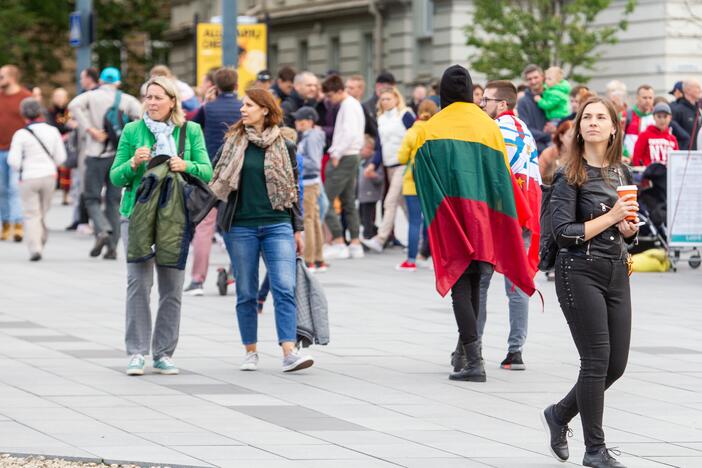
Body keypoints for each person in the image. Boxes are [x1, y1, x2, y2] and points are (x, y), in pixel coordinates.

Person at [413, 65, 536, 383]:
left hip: (452, 218)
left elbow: (425, 183)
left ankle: (474, 360)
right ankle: (465, 354)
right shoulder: (489, 127)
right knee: (477, 285)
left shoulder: (431, 128)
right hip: (483, 221)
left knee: (461, 290)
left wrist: (437, 224)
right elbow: (501, 180)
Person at [541, 96, 638, 468]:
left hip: (616, 269)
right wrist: (612, 215)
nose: (593, 122)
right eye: (587, 117)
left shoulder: (622, 172)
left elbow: (625, 229)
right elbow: (564, 233)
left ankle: (559, 414)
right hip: (578, 270)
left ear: (614, 127)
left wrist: (628, 228)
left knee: (616, 365)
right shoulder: (569, 175)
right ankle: (594, 449)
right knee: (596, 361)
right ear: (579, 128)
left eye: (601, 117)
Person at [109, 76, 212, 376]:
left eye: (157, 98)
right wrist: (132, 165)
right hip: (137, 215)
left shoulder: (190, 130)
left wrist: (186, 165)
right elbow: (115, 177)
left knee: (172, 287)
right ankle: (137, 352)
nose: (151, 103)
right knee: (138, 283)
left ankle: (164, 353)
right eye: (148, 97)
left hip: (174, 218)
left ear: (172, 102)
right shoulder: (132, 130)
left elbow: (207, 170)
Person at [209, 88, 313, 373]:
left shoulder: (285, 145)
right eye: (243, 105)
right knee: (246, 291)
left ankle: (289, 352)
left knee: (284, 286)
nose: (243, 109)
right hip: (240, 227)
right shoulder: (232, 143)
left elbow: (294, 190)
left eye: (249, 105)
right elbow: (214, 176)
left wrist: (297, 230)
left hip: (277, 224)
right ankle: (250, 351)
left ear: (265, 110)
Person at [477, 80, 541, 371]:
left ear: (502, 104)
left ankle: (471, 346)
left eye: (487, 100)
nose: (482, 104)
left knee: (479, 281)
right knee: (516, 283)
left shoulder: (495, 128)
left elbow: (487, 170)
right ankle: (516, 351)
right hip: (526, 212)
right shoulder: (525, 130)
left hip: (501, 212)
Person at [69, 67, 142, 260]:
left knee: (91, 198)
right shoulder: (126, 99)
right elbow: (142, 116)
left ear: (101, 80)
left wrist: (90, 129)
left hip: (95, 154)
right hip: (119, 156)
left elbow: (73, 105)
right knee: (113, 201)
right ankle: (112, 248)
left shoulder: (91, 96)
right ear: (118, 82)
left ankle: (101, 230)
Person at [184, 67, 243, 296]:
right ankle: (237, 275)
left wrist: (204, 102)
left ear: (215, 87)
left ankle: (197, 281)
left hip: (208, 173)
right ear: (236, 85)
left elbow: (188, 126)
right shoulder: (244, 108)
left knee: (203, 228)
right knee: (236, 226)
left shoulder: (207, 109)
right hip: (236, 175)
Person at [7, 98, 66, 261]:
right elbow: (61, 157)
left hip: (28, 178)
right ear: (40, 112)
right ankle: (41, 238)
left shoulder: (20, 134)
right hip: (49, 176)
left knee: (31, 213)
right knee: (42, 212)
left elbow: (13, 161)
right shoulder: (52, 131)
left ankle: (35, 247)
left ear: (23, 113)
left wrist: (21, 168)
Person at [361, 87, 416, 254]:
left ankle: (380, 238)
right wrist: (373, 165)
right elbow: (380, 146)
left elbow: (415, 135)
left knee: (389, 202)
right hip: (389, 167)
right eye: (383, 99)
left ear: (396, 99)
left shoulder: (405, 114)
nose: (385, 102)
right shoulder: (382, 118)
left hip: (403, 165)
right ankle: (422, 238)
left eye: (388, 98)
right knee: (403, 204)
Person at [320, 74, 366, 260]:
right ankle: (354, 243)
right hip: (352, 155)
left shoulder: (348, 106)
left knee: (324, 200)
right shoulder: (353, 105)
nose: (330, 100)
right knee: (348, 201)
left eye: (331, 96)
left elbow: (348, 133)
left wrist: (336, 153)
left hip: (344, 155)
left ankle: (339, 240)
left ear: (339, 91)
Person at [395, 98, 438, 271]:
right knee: (431, 221)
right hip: (431, 183)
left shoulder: (412, 132)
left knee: (414, 222)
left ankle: (411, 260)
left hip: (412, 182)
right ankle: (430, 257)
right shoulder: (436, 131)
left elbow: (402, 158)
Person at [0, 65, 32, 242]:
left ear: (12, 77)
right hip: (0, 150)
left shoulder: (25, 97)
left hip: (18, 151)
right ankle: (5, 224)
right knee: (2, 189)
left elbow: (33, 123)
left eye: (1, 76)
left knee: (14, 188)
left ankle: (18, 225)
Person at [292, 106, 326, 271]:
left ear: (310, 121)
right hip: (313, 182)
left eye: (301, 120)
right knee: (314, 219)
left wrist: (296, 162)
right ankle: (318, 257)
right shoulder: (310, 136)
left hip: (309, 182)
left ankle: (310, 258)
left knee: (308, 220)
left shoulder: (311, 138)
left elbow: (314, 162)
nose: (297, 123)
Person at [48, 88, 75, 206]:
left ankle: (65, 195)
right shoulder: (50, 112)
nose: (59, 99)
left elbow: (73, 126)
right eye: (56, 96)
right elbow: (52, 126)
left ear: (66, 98)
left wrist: (68, 130)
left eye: (61, 96)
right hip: (53, 143)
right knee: (52, 170)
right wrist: (66, 129)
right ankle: (48, 194)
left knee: (66, 170)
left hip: (67, 144)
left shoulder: (69, 111)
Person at [517, 64, 552, 153]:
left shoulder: (553, 96)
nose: (533, 81)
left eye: (536, 77)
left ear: (542, 77)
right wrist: (548, 135)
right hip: (535, 149)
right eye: (529, 79)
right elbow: (526, 129)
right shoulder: (523, 102)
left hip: (556, 146)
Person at [632, 102, 678, 167]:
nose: (662, 120)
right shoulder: (644, 135)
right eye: (659, 116)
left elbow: (676, 160)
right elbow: (636, 157)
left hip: (667, 175)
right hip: (649, 175)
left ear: (670, 117)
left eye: (665, 116)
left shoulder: (673, 139)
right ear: (653, 117)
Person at [358, 134, 383, 239]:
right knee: (361, 217)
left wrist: (373, 176)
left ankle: (367, 236)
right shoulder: (361, 160)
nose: (360, 151)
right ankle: (375, 232)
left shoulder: (375, 161)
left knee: (367, 217)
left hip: (370, 194)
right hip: (362, 195)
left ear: (369, 148)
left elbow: (380, 178)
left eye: (362, 149)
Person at [623, 85, 655, 157]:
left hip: (650, 162)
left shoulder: (657, 117)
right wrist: (626, 154)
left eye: (650, 98)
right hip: (629, 162)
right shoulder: (626, 115)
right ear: (637, 98)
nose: (648, 101)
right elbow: (617, 139)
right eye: (644, 98)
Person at [539, 120, 574, 185]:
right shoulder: (549, 153)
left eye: (576, 137)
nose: (573, 140)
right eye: (570, 136)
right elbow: (537, 178)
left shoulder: (580, 155)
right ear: (561, 137)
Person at [671, 78, 701, 150]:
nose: (700, 90)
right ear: (688, 90)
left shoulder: (698, 110)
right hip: (682, 155)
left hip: (698, 155)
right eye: (697, 87)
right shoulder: (676, 110)